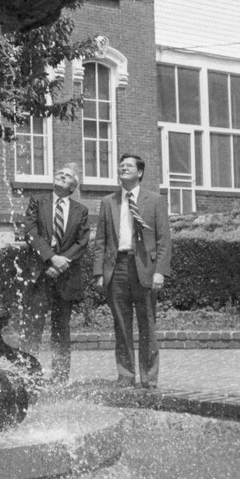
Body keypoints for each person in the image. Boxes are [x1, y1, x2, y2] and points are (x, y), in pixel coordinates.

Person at [93, 153, 171, 388]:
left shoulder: (155, 200)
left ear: (140, 172)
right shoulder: (109, 202)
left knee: (147, 323)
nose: (123, 168)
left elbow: (164, 239)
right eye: (121, 165)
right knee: (121, 324)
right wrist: (99, 273)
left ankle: (148, 377)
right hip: (116, 267)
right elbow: (100, 240)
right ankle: (126, 375)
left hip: (145, 268)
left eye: (128, 166)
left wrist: (160, 271)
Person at [22, 163, 91, 384]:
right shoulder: (37, 202)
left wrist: (63, 262)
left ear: (73, 186)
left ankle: (61, 377)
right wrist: (51, 257)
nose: (62, 175)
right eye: (60, 172)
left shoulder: (81, 210)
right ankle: (27, 375)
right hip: (39, 275)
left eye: (68, 175)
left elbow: (82, 242)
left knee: (61, 329)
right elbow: (30, 232)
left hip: (66, 276)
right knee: (33, 326)